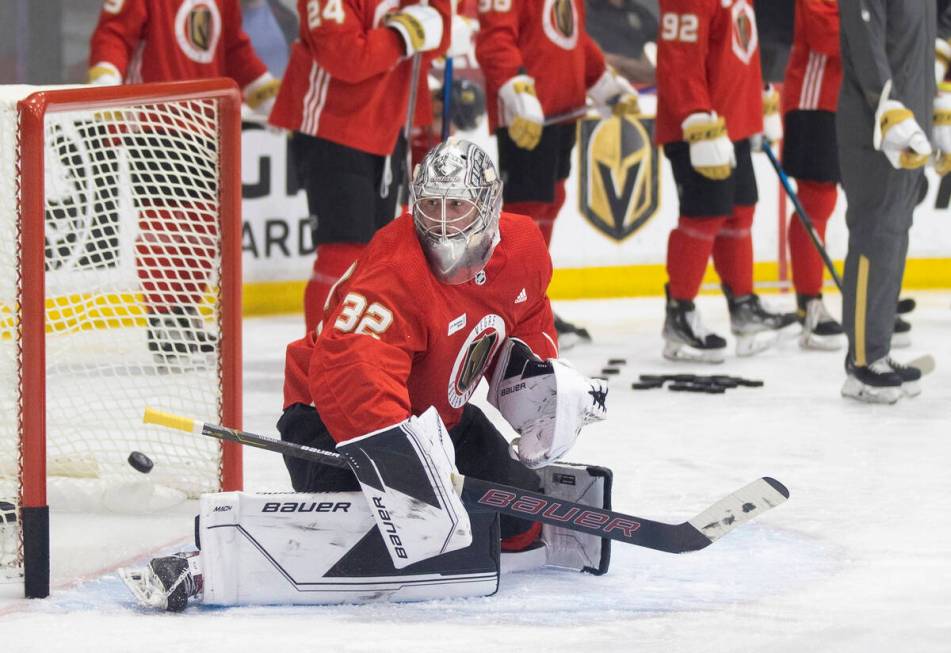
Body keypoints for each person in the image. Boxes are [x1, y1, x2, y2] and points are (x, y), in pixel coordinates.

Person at [122, 139, 609, 610]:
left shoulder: (523, 244)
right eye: (431, 206)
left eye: (456, 206)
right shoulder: (394, 271)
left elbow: (527, 315)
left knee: (519, 518)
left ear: (488, 207)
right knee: (384, 528)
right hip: (331, 423)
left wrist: (541, 379)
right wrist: (405, 469)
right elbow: (352, 376)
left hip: (438, 419)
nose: (440, 223)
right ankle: (212, 561)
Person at [88, 0, 279, 364]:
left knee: (203, 225)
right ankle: (164, 320)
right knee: (166, 224)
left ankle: (185, 311)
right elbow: (115, 33)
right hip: (154, 120)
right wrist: (106, 83)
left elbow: (233, 47)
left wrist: (268, 93)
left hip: (206, 121)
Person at [268, 0, 452, 334]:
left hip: (389, 127)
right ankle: (321, 359)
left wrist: (432, 18)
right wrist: (401, 34)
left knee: (378, 256)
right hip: (333, 126)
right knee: (344, 251)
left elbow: (436, 39)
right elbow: (346, 56)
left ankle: (361, 353)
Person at [474, 0, 641, 349]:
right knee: (525, 215)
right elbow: (494, 40)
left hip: (563, 109)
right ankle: (509, 313)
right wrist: (516, 89)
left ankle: (532, 302)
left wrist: (602, 81)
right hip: (529, 115)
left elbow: (572, 37)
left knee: (550, 205)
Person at [655, 0, 796, 363]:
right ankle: (679, 316)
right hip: (699, 129)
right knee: (703, 215)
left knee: (740, 209)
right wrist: (695, 117)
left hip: (731, 122)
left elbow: (737, 51)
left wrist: (758, 98)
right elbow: (679, 61)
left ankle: (744, 307)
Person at [836, 1, 936, 403]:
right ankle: (862, 363)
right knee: (874, 233)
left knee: (895, 235)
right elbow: (865, 43)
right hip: (875, 127)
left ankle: (879, 349)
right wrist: (888, 107)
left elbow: (927, 45)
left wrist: (938, 113)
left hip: (912, 122)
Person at [779, 0, 844, 350]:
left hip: (855, 101)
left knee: (874, 202)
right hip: (814, 99)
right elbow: (826, 36)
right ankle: (810, 303)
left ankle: (871, 303)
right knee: (816, 198)